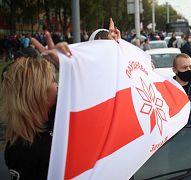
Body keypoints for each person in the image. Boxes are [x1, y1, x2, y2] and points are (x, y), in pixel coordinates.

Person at [1, 18, 120, 179]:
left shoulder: (58, 113)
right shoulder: (20, 150)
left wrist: (112, 48)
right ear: (36, 93)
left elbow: (98, 93)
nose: (57, 84)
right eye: (51, 80)